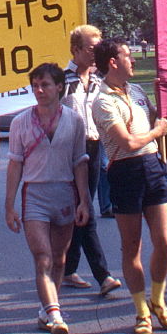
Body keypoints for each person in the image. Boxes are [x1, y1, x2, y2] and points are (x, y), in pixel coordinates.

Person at [92, 38, 167, 334]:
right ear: (113, 62)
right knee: (132, 247)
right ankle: (141, 310)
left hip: (153, 166)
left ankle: (158, 299)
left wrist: (166, 94)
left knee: (165, 242)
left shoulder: (138, 91)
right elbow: (127, 141)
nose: (134, 61)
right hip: (125, 171)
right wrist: (156, 131)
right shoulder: (101, 100)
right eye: (128, 56)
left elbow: (159, 119)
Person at [5, 63, 92, 334]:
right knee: (42, 256)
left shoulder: (74, 120)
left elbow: (80, 162)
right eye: (35, 86)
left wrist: (84, 202)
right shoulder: (20, 122)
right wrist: (9, 205)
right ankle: (56, 315)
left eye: (45, 85)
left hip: (65, 193)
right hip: (35, 196)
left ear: (59, 87)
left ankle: (46, 310)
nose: (40, 91)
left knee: (59, 259)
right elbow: (15, 165)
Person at [61, 24, 120, 296]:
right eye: (90, 48)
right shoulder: (62, 81)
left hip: (95, 147)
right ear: (75, 50)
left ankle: (68, 269)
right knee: (86, 209)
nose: (95, 53)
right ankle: (103, 275)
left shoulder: (99, 81)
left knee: (81, 209)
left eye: (98, 47)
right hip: (70, 151)